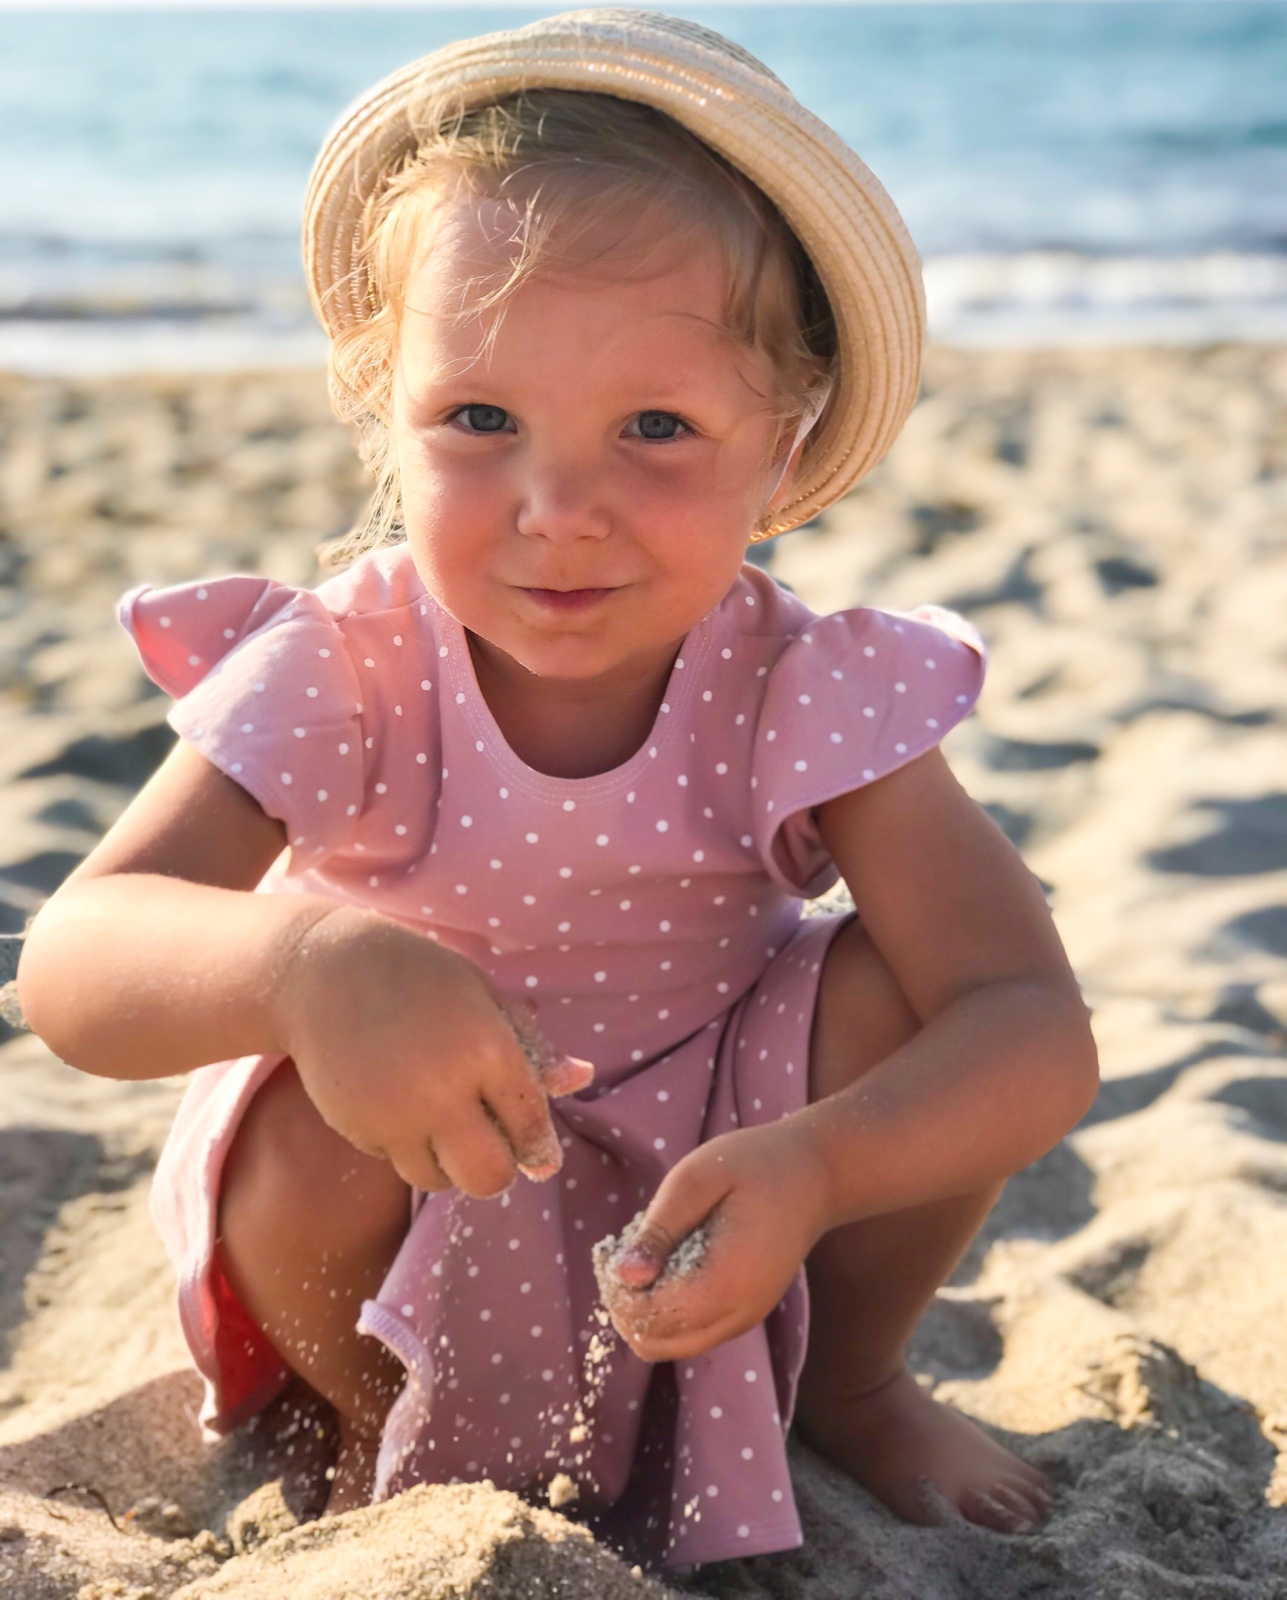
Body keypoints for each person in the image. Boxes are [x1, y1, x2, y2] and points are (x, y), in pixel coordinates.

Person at [17, 9, 1098, 1573]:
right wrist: (306, 964)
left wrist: (822, 1164)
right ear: (384, 401)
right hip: (412, 1152)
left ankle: (850, 1380)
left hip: (725, 1160)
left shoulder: (798, 682)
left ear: (783, 447)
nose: (560, 508)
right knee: (300, 1115)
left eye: (657, 428)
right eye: (481, 420)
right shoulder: (349, 663)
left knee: (897, 999)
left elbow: (1028, 1022)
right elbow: (75, 961)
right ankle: (374, 1414)